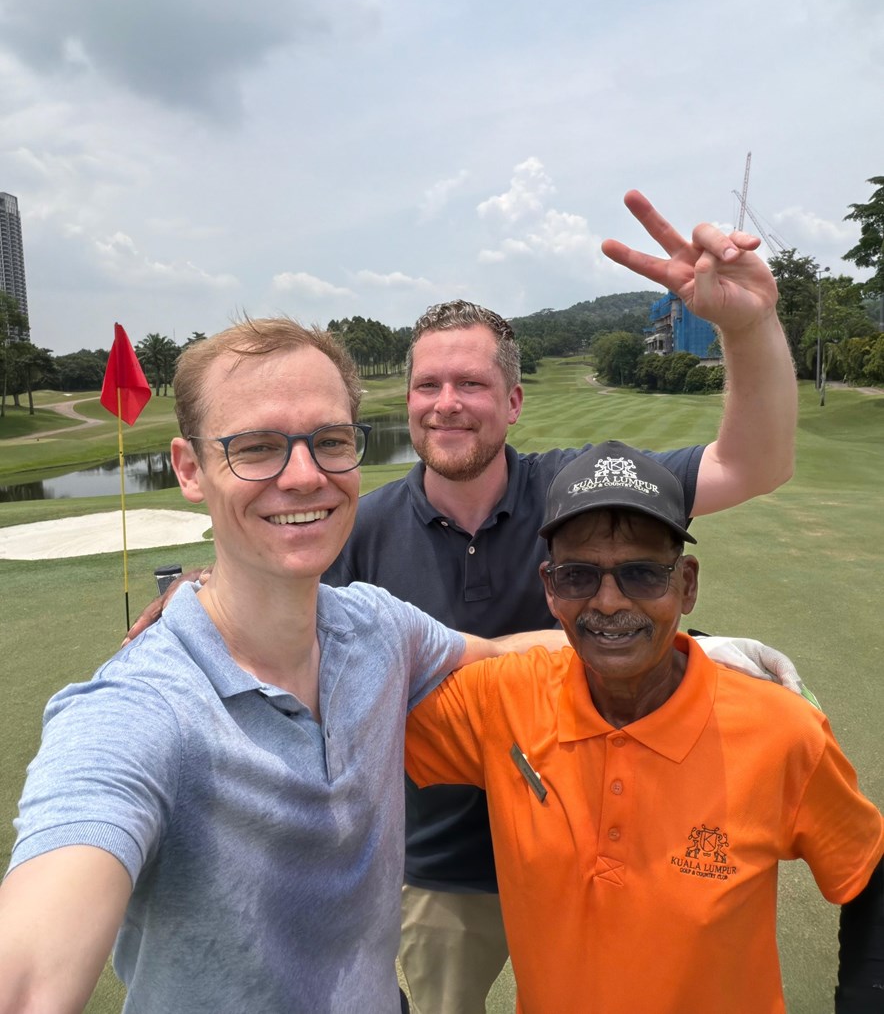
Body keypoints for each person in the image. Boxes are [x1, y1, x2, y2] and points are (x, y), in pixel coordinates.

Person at [127, 191, 801, 1013]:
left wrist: (747, 325)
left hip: (594, 841)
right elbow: (275, 616)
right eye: (428, 384)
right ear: (406, 402)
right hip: (434, 864)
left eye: (472, 383)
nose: (447, 402)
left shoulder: (581, 491)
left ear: (512, 402)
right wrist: (204, 587)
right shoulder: (354, 527)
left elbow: (757, 460)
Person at [0, 318, 567, 1014]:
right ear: (187, 467)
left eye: (329, 441)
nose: (305, 477)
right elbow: (27, 976)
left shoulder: (377, 625)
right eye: (256, 448)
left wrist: (698, 656)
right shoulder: (136, 711)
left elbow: (508, 652)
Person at [405, 442, 884, 1013]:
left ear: (687, 584)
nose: (608, 602)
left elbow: (867, 864)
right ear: (550, 587)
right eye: (579, 575)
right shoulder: (499, 698)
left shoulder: (782, 729)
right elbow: (346, 726)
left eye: (641, 574)